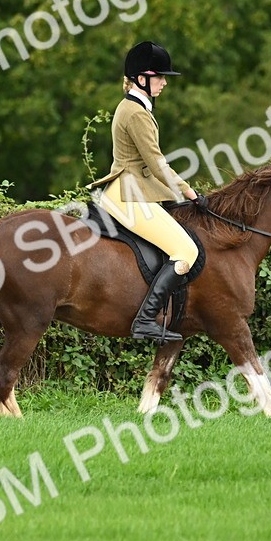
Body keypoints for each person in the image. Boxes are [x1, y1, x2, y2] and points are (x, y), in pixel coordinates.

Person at [90, 41, 201, 343]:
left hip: (130, 191)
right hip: (129, 196)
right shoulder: (136, 113)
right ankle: (145, 320)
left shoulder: (135, 107)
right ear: (141, 79)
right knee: (187, 251)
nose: (164, 83)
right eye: (160, 77)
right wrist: (188, 191)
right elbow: (155, 161)